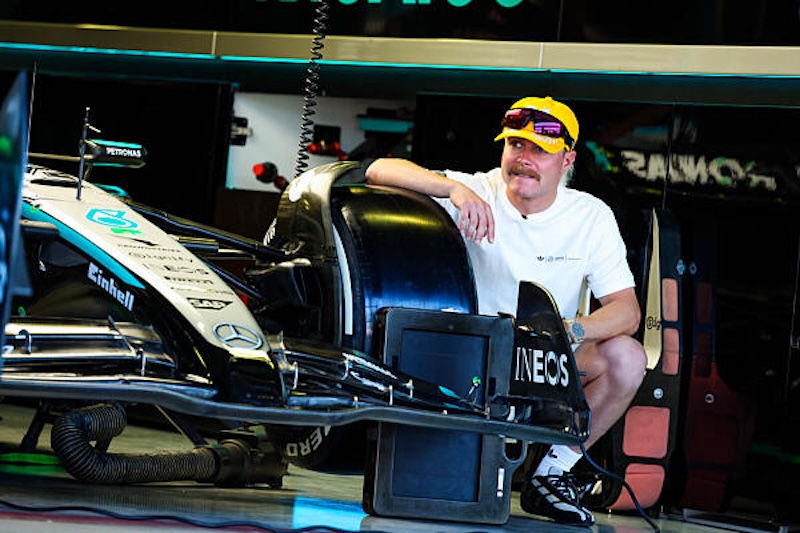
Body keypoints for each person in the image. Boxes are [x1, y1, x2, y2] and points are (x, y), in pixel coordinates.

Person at [365, 96, 647, 527]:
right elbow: (379, 169)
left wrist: (571, 330)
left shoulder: (591, 217)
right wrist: (452, 189)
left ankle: (552, 474)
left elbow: (627, 312)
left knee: (627, 357)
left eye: (540, 150)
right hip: (469, 360)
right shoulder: (478, 188)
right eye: (516, 145)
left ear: (566, 160)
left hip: (542, 359)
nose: (524, 159)